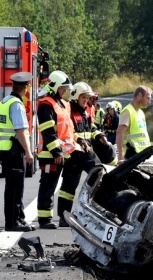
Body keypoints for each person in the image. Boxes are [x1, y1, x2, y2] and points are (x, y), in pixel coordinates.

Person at [56, 81, 102, 227]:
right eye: (84, 98)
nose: (86, 101)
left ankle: (96, 214)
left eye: (87, 98)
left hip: (86, 153)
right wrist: (79, 140)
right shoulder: (69, 111)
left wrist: (99, 135)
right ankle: (63, 217)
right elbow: (69, 131)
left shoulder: (86, 112)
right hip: (73, 154)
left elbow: (91, 128)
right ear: (76, 97)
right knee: (68, 189)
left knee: (99, 178)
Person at [35, 70, 75, 229]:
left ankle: (49, 217)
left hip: (61, 153)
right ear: (54, 86)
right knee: (48, 186)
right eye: (62, 88)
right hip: (50, 153)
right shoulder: (46, 104)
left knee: (53, 185)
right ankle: (44, 219)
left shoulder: (60, 103)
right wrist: (56, 152)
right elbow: (48, 131)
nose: (64, 90)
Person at [0, 72, 36, 232]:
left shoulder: (5, 101)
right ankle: (13, 222)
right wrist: (28, 152)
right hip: (15, 151)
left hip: (6, 150)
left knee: (12, 187)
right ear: (25, 88)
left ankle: (18, 219)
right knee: (15, 188)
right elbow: (20, 130)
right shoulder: (17, 105)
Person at [116, 86, 152, 163]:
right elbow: (120, 133)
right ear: (140, 95)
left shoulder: (141, 113)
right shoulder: (128, 111)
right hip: (131, 154)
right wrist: (120, 155)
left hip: (142, 154)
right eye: (147, 98)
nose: (149, 102)